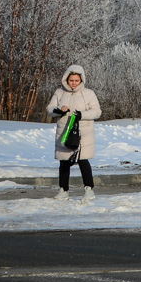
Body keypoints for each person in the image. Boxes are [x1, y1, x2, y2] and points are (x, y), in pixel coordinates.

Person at [47, 64, 101, 200]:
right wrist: (59, 109)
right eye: (71, 80)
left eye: (76, 81)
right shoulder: (59, 92)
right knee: (64, 161)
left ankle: (89, 190)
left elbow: (97, 111)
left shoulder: (88, 93)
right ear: (66, 79)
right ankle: (63, 190)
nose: (74, 83)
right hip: (64, 131)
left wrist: (82, 114)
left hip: (84, 132)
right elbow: (50, 108)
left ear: (81, 80)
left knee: (83, 161)